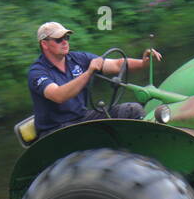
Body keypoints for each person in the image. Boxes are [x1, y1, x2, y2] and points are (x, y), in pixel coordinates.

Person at [27, 21, 163, 138]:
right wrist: (89, 72)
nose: (65, 42)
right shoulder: (37, 72)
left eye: (66, 37)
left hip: (81, 119)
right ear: (44, 44)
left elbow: (117, 64)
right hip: (54, 131)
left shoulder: (78, 58)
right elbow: (58, 95)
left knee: (133, 110)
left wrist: (143, 63)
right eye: (58, 39)